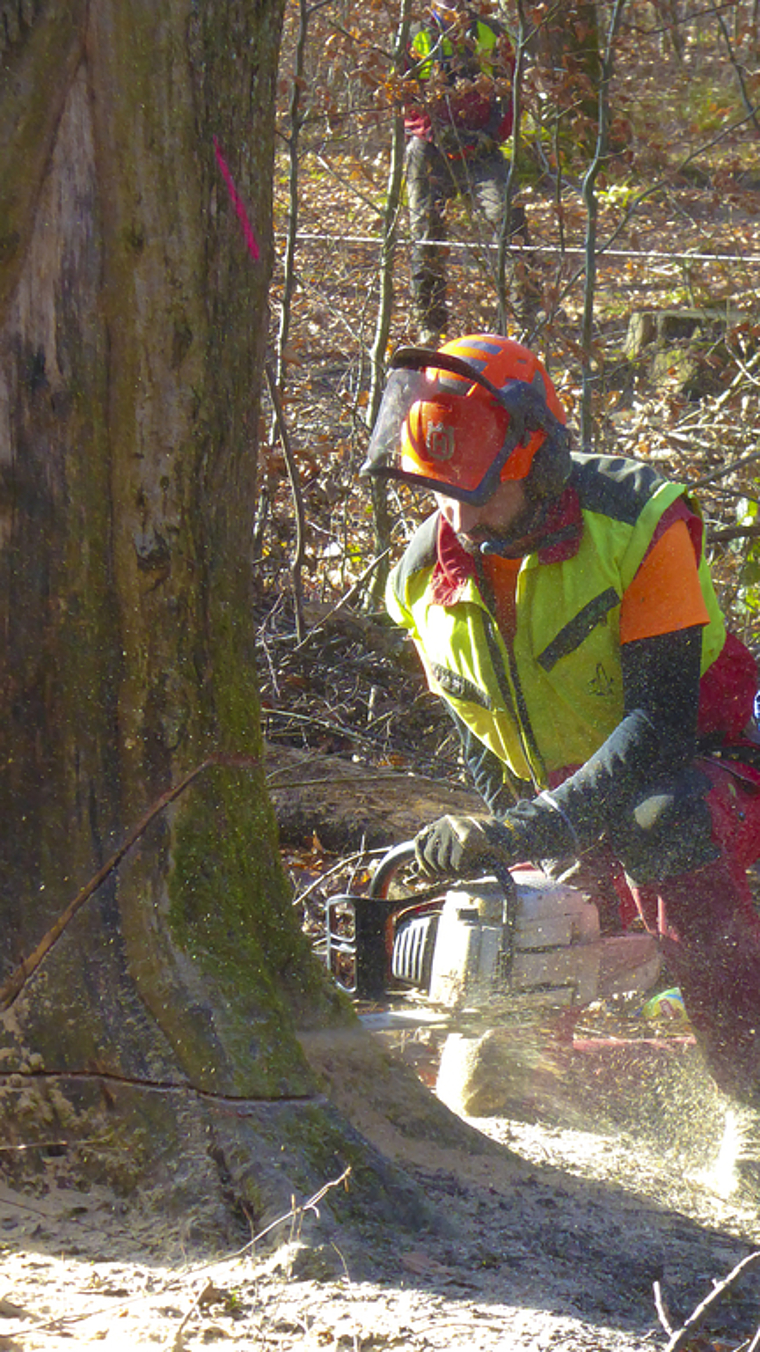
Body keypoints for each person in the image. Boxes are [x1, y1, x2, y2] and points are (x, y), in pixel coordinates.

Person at [362, 332, 760, 1195]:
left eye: (477, 493)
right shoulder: (421, 582)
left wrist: (536, 826)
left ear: (534, 455)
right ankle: (649, 1069)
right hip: (573, 802)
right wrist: (518, 844)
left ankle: (753, 1104)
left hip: (710, 766)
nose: (458, 521)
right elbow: (484, 737)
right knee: (501, 1052)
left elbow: (659, 726)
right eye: (439, 497)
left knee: (665, 820)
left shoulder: (640, 523)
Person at [403, 1, 527, 345]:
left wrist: (493, 134)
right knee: (426, 233)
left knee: (509, 222)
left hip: (483, 147)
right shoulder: (415, 33)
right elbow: (403, 93)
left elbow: (512, 89)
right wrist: (432, 131)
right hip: (431, 148)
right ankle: (429, 328)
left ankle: (525, 321)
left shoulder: (492, 32)